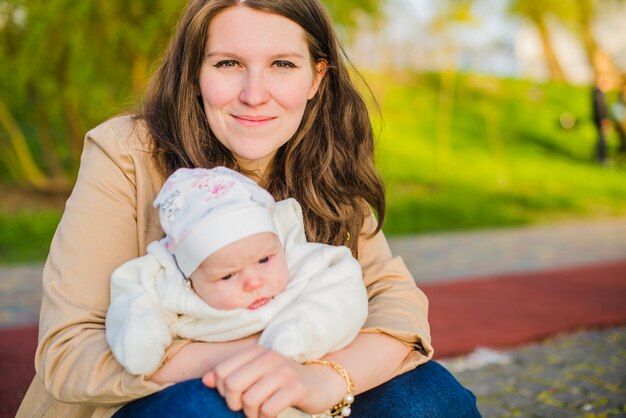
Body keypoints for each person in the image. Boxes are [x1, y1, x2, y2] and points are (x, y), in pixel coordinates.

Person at [17, 1, 481, 417]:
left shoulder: (323, 158)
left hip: (301, 383)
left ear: (317, 77)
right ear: (194, 74)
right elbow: (68, 351)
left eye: (282, 64)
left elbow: (396, 305)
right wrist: (256, 359)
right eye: (228, 63)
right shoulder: (125, 152)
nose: (254, 93)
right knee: (205, 407)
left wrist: (321, 379)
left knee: (430, 397)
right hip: (161, 398)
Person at [106, 166, 367, 376]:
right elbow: (135, 297)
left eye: (264, 260)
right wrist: (141, 341)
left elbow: (343, 287)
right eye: (228, 275)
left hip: (304, 378)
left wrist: (297, 336)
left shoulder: (300, 263)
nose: (253, 281)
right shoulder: (174, 288)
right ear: (190, 277)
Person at [592, 74, 612, 164]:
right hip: (601, 120)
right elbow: (600, 108)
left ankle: (599, 157)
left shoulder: (597, 93)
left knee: (601, 139)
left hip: (599, 119)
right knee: (602, 140)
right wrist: (603, 120)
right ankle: (602, 158)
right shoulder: (599, 94)